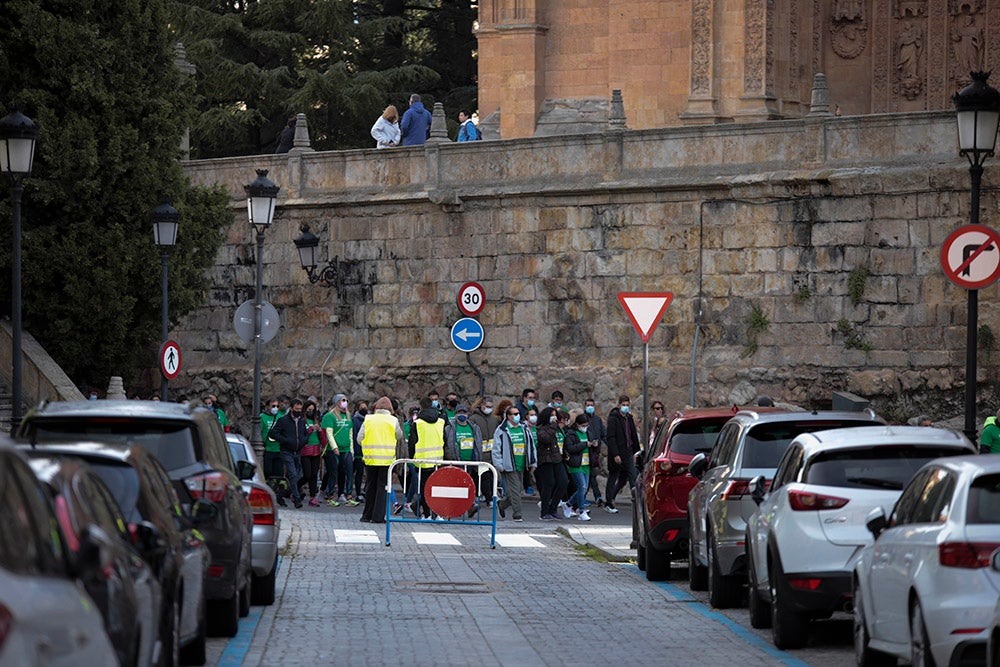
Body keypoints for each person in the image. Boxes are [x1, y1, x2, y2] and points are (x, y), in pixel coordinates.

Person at [357, 396, 404, 523]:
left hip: (370, 458)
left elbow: (359, 438)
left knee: (370, 486)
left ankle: (366, 515)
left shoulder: (368, 419)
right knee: (382, 487)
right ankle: (378, 517)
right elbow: (399, 435)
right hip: (386, 460)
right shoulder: (393, 420)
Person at [493, 404, 537, 522]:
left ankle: (501, 504)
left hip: (522, 464)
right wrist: (499, 464)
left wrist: (533, 462)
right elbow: (496, 448)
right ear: (508, 416)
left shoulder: (524, 428)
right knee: (515, 490)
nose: (518, 416)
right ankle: (517, 514)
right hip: (508, 465)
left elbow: (531, 445)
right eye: (515, 414)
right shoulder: (502, 430)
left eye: (518, 414)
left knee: (517, 489)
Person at [444, 403, 483, 517]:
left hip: (470, 461)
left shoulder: (474, 428)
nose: (462, 415)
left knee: (468, 485)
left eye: (464, 413)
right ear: (456, 414)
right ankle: (459, 507)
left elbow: (478, 444)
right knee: (457, 486)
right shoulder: (449, 428)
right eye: (459, 413)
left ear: (468, 414)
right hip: (456, 461)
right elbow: (447, 444)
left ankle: (469, 505)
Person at [409, 397, 445, 518]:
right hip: (437, 460)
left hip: (422, 461)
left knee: (424, 489)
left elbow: (412, 444)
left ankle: (427, 514)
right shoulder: (440, 422)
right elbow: (444, 440)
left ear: (421, 407)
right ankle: (437, 514)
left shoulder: (417, 423)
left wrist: (411, 460)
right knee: (436, 489)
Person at [604, 395, 639, 514]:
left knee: (631, 477)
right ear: (619, 405)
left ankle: (637, 503)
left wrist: (637, 452)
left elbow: (633, 435)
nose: (625, 407)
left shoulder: (629, 418)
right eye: (623, 405)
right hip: (618, 453)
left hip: (628, 453)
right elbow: (611, 438)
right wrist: (615, 454)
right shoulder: (613, 419)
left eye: (627, 405)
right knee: (613, 476)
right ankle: (609, 502)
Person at [272, 398, 308, 508]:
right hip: (286, 450)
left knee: (296, 476)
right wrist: (285, 440)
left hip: (298, 451)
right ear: (291, 408)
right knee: (292, 474)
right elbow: (273, 433)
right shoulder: (283, 420)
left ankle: (281, 493)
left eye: (300, 409)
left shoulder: (302, 421)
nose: (298, 411)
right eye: (296, 409)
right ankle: (296, 499)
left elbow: (305, 433)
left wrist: (303, 440)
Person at [323, 393, 357, 506]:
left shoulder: (348, 415)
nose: (345, 402)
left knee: (349, 472)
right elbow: (329, 433)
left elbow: (350, 434)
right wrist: (334, 447)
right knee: (333, 473)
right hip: (334, 450)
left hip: (346, 449)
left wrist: (351, 449)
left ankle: (349, 496)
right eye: (343, 400)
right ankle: (330, 496)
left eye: (346, 400)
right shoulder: (330, 416)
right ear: (337, 402)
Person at [535, 407, 568, 521]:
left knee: (563, 482)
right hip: (546, 459)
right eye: (552, 415)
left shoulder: (557, 429)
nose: (554, 417)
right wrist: (553, 426)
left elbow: (560, 441)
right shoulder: (541, 429)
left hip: (556, 457)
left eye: (555, 415)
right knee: (549, 484)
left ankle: (553, 508)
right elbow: (546, 439)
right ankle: (544, 511)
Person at [564, 414, 592, 521]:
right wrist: (584, 444)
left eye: (586, 425)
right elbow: (570, 448)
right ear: (577, 424)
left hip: (586, 465)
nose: (585, 427)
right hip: (576, 465)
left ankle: (568, 504)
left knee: (583, 489)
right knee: (582, 486)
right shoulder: (571, 434)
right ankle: (581, 511)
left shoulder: (588, 433)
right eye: (583, 425)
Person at [260, 398, 286, 505]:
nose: (275, 408)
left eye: (277, 406)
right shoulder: (262, 417)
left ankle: (278, 496)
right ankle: (267, 494)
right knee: (267, 472)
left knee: (279, 474)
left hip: (278, 449)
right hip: (268, 449)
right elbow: (260, 431)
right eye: (273, 406)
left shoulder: (280, 417)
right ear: (267, 407)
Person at [299, 400, 323, 506]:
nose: (311, 412)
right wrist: (310, 429)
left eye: (313, 410)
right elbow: (300, 435)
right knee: (307, 474)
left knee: (314, 474)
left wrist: (320, 430)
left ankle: (312, 497)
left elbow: (322, 438)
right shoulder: (301, 421)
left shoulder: (315, 421)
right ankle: (294, 487)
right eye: (309, 410)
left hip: (316, 449)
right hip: (306, 449)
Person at [584, 398, 606, 507]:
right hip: (585, 451)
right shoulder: (582, 419)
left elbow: (603, 434)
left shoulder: (597, 420)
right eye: (588, 405)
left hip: (595, 452)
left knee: (591, 475)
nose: (590, 407)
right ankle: (596, 496)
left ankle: (585, 496)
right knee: (590, 475)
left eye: (591, 405)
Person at [352, 399, 369, 501]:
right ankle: (358, 493)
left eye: (365, 407)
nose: (364, 409)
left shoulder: (369, 420)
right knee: (358, 473)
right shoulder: (355, 420)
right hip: (359, 450)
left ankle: (364, 491)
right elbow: (355, 436)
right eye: (362, 407)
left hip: (368, 450)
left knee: (368, 474)